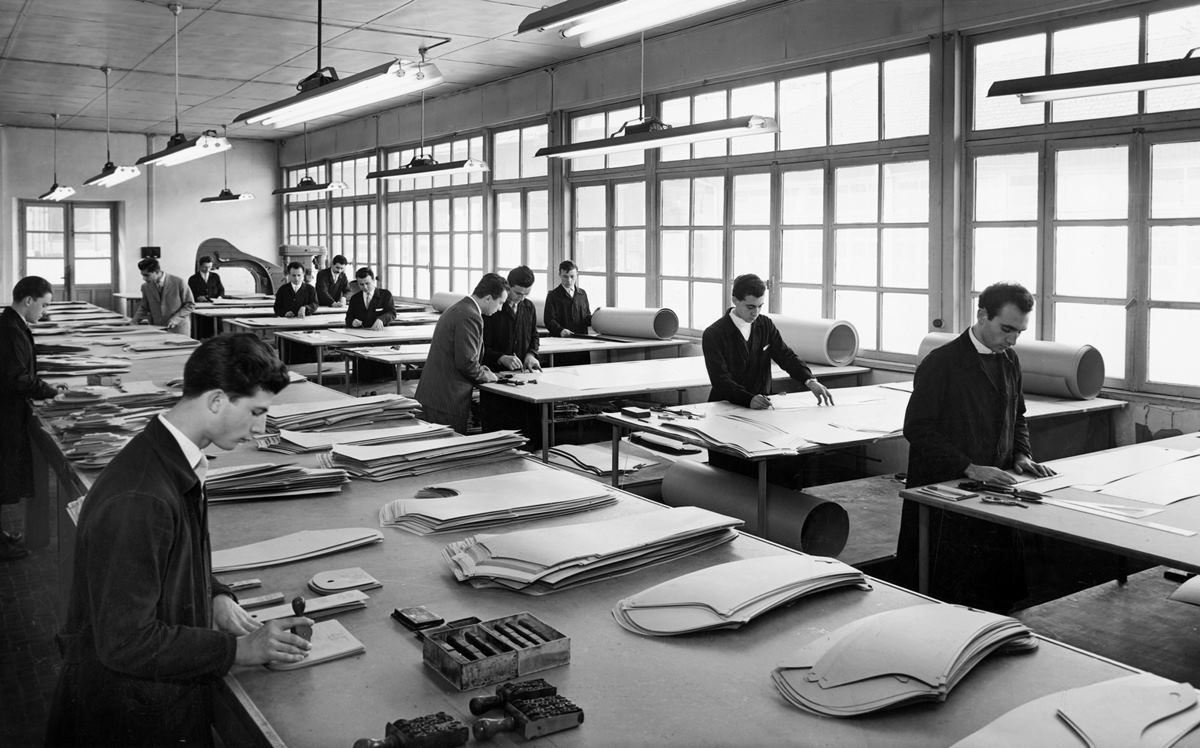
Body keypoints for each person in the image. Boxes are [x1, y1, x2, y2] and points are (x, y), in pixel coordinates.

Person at [45, 334, 313, 747]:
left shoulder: (171, 458)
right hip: (124, 718)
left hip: (149, 701)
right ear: (218, 400)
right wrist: (238, 650)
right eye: (257, 411)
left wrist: (214, 594)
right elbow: (126, 642)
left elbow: (170, 559)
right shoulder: (141, 496)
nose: (261, 427)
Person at [897, 281, 1055, 612]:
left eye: (1019, 332)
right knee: (946, 593)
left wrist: (1022, 454)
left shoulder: (1009, 359)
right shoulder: (942, 363)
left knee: (996, 590)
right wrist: (968, 466)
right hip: (946, 490)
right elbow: (917, 427)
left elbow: (1018, 416)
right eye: (1007, 329)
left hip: (994, 486)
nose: (1012, 339)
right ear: (982, 315)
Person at [0, 276, 67, 560]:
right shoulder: (10, 330)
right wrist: (48, 391)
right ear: (28, 300)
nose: (45, 311)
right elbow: (17, 378)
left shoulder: (13, 324)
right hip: (5, 413)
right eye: (44, 305)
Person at [702, 273, 833, 410]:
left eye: (760, 306)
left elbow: (785, 356)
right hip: (726, 406)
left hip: (763, 405)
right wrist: (748, 399)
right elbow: (720, 380)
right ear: (735, 300)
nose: (756, 313)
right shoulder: (714, 334)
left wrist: (810, 381)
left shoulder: (765, 324)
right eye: (750, 307)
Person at [415, 273, 507, 433]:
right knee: (447, 451)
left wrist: (481, 369)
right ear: (488, 298)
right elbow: (466, 363)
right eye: (500, 303)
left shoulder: (460, 308)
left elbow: (461, 355)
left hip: (435, 395)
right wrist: (487, 376)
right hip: (447, 400)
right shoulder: (470, 316)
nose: (500, 309)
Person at [482, 265, 541, 373]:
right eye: (518, 293)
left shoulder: (529, 307)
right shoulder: (492, 307)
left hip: (521, 372)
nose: (522, 298)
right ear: (508, 286)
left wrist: (531, 354)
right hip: (493, 372)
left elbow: (534, 336)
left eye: (526, 294)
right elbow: (481, 344)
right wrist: (501, 358)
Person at [543, 260, 593, 366]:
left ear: (577, 275)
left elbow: (586, 317)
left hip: (581, 343)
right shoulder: (553, 296)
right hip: (561, 343)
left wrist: (598, 318)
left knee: (583, 373)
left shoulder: (582, 294)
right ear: (559, 275)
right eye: (565, 276)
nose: (569, 280)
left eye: (572, 276)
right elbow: (548, 320)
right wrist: (560, 331)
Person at [134, 257, 194, 335]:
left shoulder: (179, 282)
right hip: (157, 328)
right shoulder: (145, 287)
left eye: (147, 275)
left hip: (178, 328)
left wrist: (175, 319)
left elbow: (190, 305)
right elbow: (143, 307)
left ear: (157, 272)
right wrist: (134, 321)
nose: (144, 278)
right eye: (142, 275)